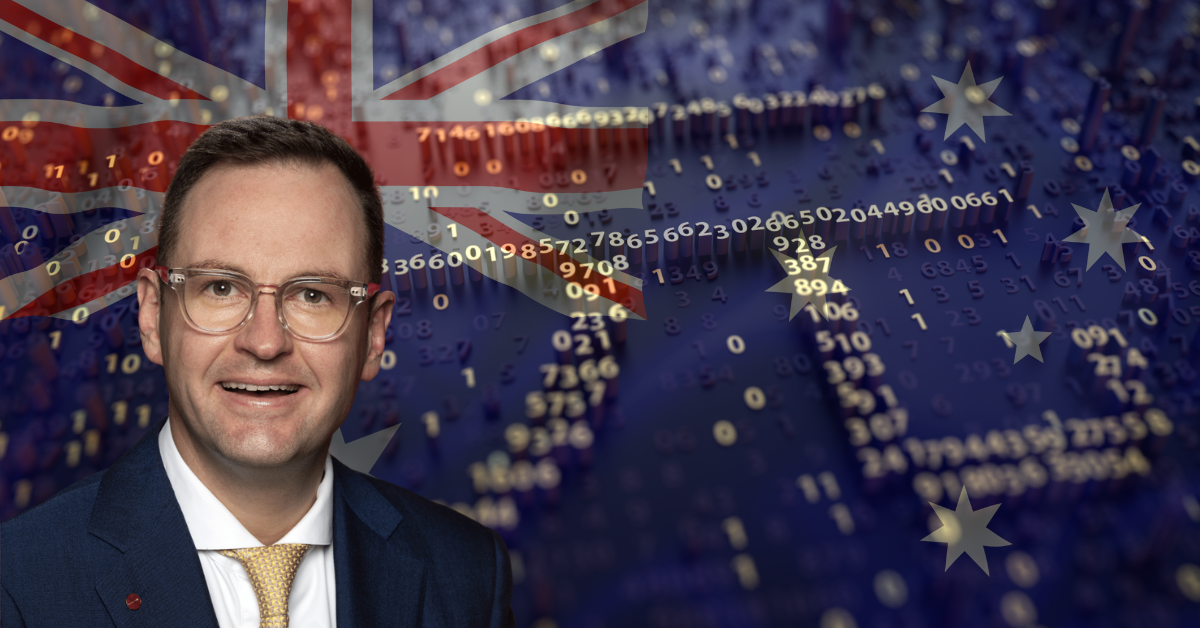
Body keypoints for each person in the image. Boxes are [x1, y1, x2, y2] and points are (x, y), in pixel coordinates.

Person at [1, 116, 516, 628]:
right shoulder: (19, 583)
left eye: (313, 295)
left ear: (374, 335)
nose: (265, 342)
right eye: (221, 288)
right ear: (153, 317)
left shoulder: (467, 573)